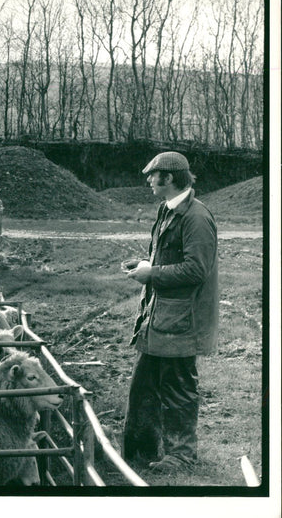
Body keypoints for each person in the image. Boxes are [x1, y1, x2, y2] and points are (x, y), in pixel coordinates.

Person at [121, 151, 219, 473]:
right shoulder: (166, 210)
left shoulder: (196, 218)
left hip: (181, 322)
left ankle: (181, 456)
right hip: (160, 317)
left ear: (170, 178)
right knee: (145, 385)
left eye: (153, 175)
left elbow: (196, 270)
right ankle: (140, 450)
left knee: (178, 389)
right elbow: (167, 259)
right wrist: (145, 265)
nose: (149, 180)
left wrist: (153, 274)